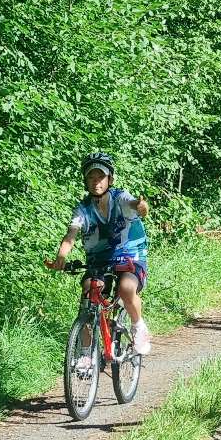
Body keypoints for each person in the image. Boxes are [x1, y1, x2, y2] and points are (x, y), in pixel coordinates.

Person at [47, 152, 151, 355]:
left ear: (109, 179)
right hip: (100, 259)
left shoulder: (120, 197)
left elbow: (135, 205)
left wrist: (141, 206)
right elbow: (71, 235)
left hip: (130, 253)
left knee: (126, 287)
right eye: (91, 178)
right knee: (88, 293)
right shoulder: (83, 209)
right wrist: (61, 257)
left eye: (100, 177)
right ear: (85, 181)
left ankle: (139, 327)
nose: (96, 182)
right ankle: (85, 353)